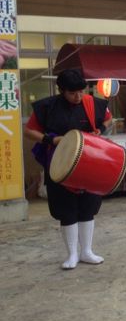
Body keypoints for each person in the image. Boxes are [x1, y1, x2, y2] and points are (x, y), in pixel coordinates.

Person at [24, 69, 112, 269]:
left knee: (88, 208)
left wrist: (102, 130)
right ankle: (72, 254)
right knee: (66, 209)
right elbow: (29, 131)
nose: (78, 96)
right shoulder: (47, 107)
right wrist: (51, 139)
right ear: (61, 90)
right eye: (73, 93)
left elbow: (108, 119)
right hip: (59, 164)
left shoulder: (93, 104)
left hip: (89, 163)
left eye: (81, 91)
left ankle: (87, 251)